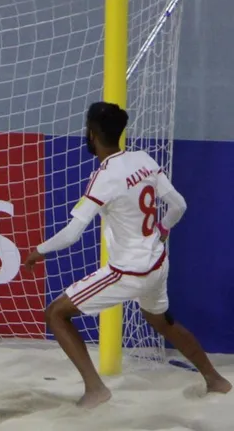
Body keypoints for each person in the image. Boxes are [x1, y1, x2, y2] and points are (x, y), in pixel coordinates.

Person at [22, 101, 231, 408]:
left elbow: (72, 233)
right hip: (157, 263)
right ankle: (216, 380)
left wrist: (37, 252)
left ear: (91, 134)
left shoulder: (104, 177)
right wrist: (162, 229)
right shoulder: (142, 159)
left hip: (128, 273)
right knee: (163, 323)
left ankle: (95, 389)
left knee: (55, 314)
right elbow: (179, 205)